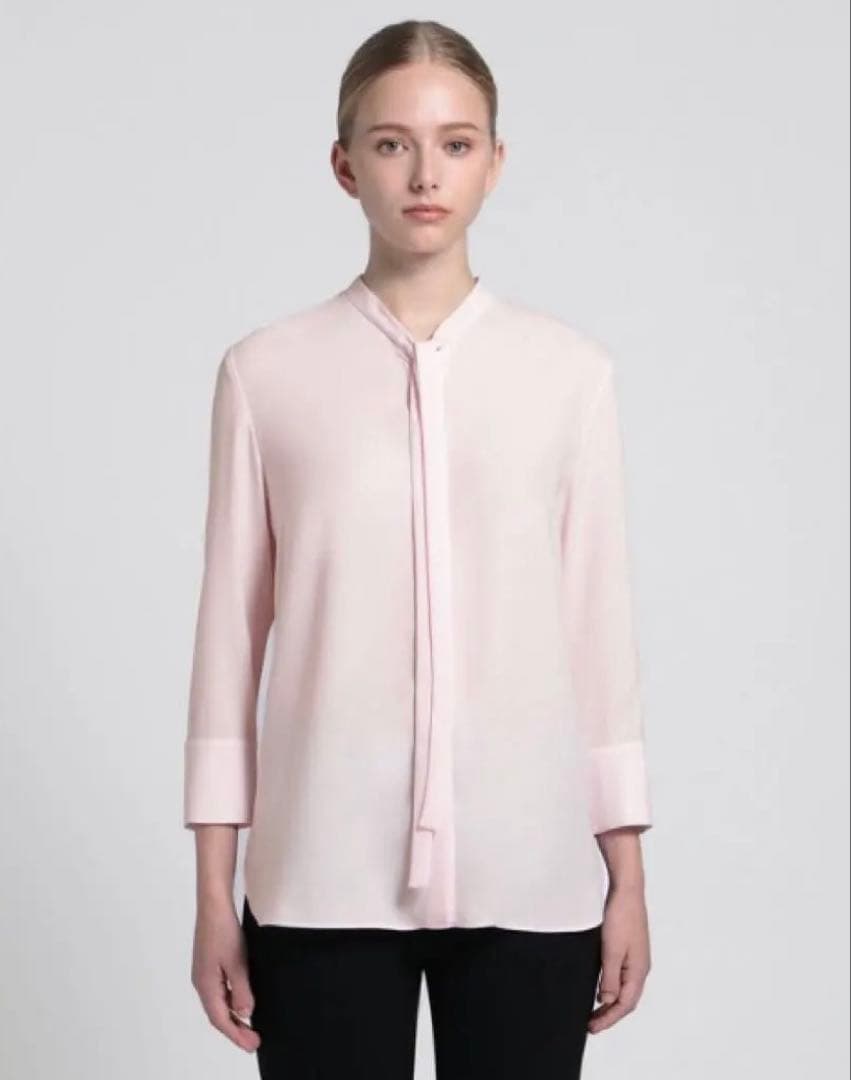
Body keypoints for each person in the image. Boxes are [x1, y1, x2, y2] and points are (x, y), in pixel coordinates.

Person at [184, 18, 653, 1080]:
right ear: (344, 164)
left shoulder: (569, 376)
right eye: (392, 143)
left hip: (530, 875)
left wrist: (624, 876)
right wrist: (214, 891)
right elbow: (227, 649)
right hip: (319, 881)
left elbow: (597, 637)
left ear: (495, 162)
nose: (424, 174)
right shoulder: (266, 374)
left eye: (455, 142)